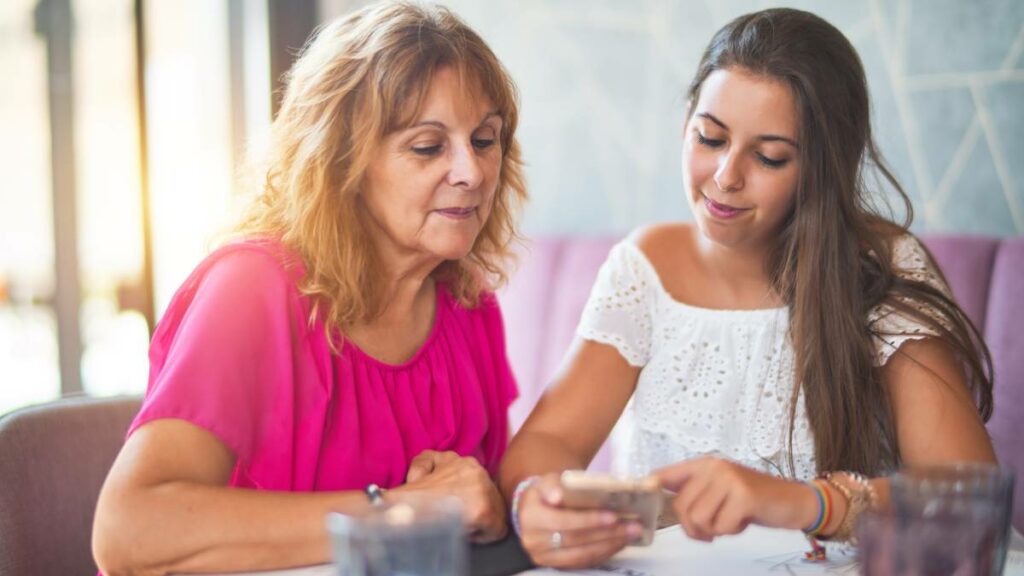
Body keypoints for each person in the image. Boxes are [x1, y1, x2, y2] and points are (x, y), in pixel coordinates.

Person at [500, 7, 997, 570]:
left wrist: (797, 502)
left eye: (769, 156)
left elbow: (969, 496)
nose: (726, 176)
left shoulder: (881, 268)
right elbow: (547, 446)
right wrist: (537, 502)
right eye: (709, 137)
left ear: (822, 169)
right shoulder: (645, 269)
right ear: (687, 119)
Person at [92, 2, 527, 573]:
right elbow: (129, 530)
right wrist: (397, 512)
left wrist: (491, 510)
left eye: (485, 139)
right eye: (428, 146)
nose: (471, 171)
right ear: (341, 160)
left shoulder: (467, 300)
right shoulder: (250, 290)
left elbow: (474, 508)